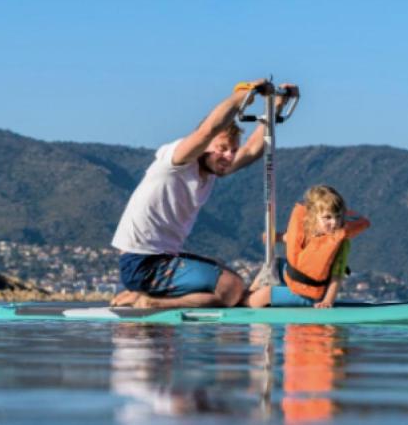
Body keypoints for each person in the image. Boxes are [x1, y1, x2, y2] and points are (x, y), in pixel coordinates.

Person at [110, 79, 299, 309]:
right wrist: (243, 95)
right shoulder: (177, 160)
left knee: (228, 276)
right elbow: (207, 130)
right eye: (222, 148)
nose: (229, 156)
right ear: (206, 147)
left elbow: (251, 150)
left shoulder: (209, 172)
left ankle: (148, 296)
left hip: (160, 259)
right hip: (142, 263)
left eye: (232, 150)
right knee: (230, 288)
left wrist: (276, 105)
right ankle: (149, 301)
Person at [243, 185, 370, 309]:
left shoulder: (340, 242)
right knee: (272, 265)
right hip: (290, 277)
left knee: (265, 294)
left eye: (338, 217)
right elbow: (289, 238)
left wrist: (327, 301)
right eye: (328, 217)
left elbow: (337, 275)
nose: (334, 222)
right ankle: (245, 297)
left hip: (310, 294)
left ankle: (247, 304)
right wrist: (275, 237)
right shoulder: (306, 226)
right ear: (313, 216)